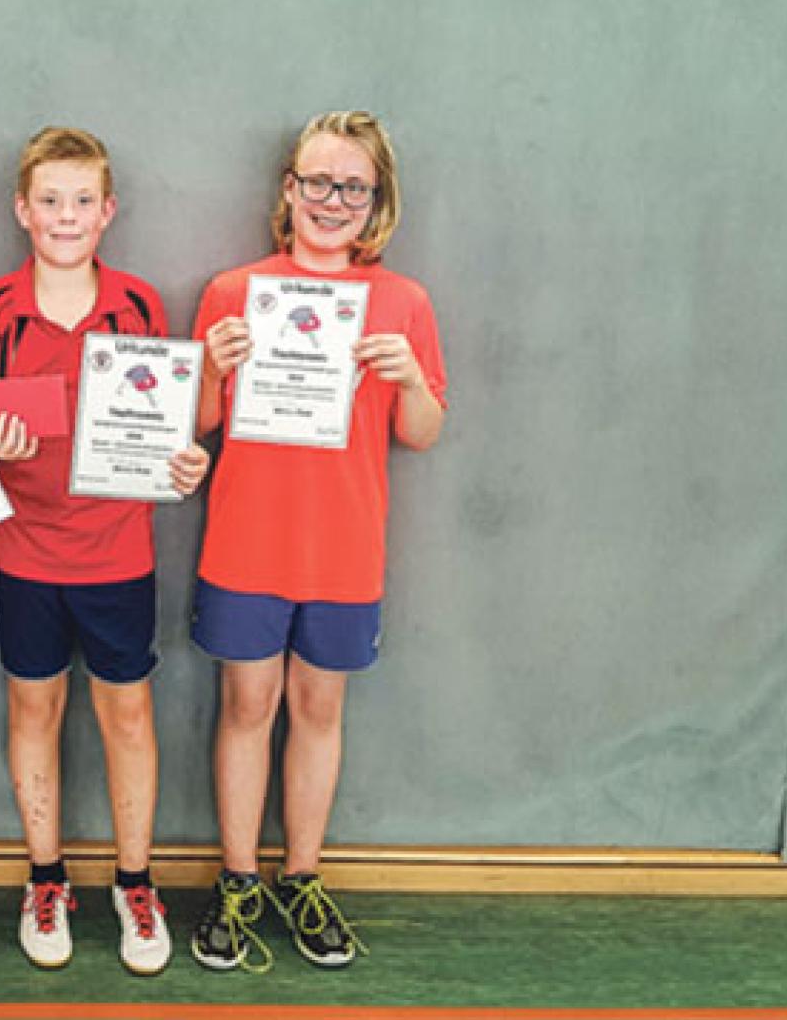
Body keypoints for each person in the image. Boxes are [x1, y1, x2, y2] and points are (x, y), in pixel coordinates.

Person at [188, 111, 447, 973]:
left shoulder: (404, 303)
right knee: (245, 708)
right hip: (246, 541)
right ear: (289, 188)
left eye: (353, 187)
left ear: (377, 201)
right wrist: (214, 365)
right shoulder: (234, 292)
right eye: (318, 182)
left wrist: (410, 377)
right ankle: (237, 880)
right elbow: (200, 421)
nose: (333, 200)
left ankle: (301, 876)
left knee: (319, 711)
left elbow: (422, 431)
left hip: (343, 547)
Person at [0, 127, 209, 975]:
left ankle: (135, 884)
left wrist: (184, 462)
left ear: (108, 211)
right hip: (24, 551)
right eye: (49, 201)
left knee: (127, 715)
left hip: (117, 552)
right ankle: (45, 880)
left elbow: (165, 431)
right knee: (32, 710)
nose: (65, 216)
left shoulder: (140, 305)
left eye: (81, 201)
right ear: (21, 209)